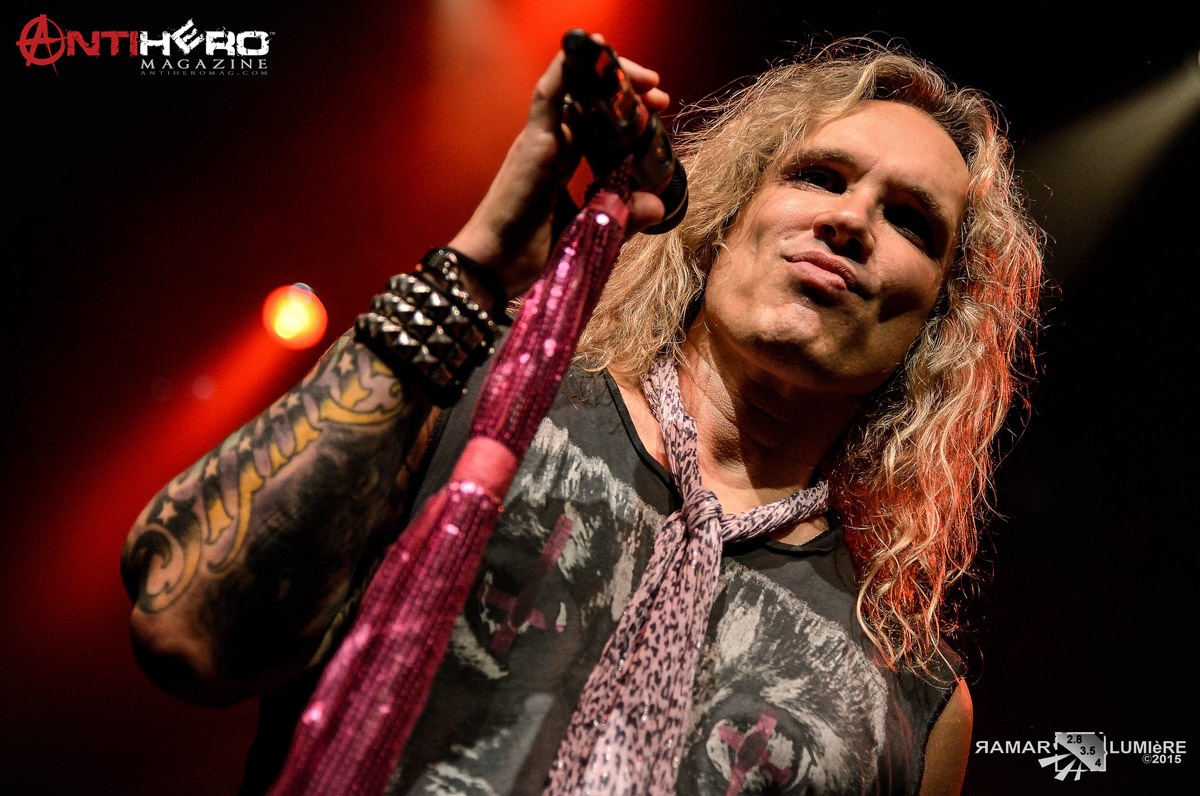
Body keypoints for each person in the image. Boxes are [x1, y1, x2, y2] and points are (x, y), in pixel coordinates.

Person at [122, 35, 1041, 795]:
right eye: (820, 176)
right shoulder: (476, 390)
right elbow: (186, 631)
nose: (851, 221)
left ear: (939, 324)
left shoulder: (912, 696)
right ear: (726, 220)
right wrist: (475, 268)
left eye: (911, 221)